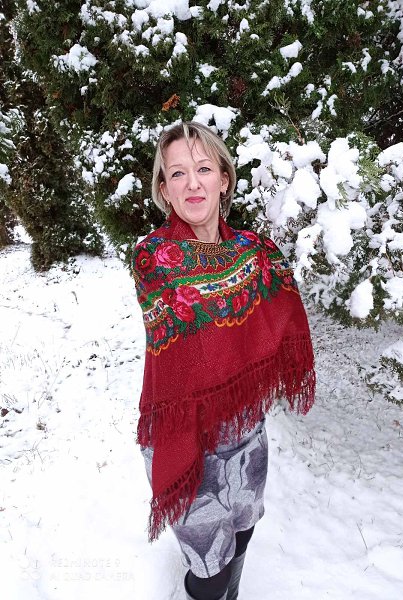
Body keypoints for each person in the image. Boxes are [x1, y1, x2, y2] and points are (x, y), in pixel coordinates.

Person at [132, 121, 315, 600]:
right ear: (164, 190)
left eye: (204, 169)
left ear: (224, 179)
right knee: (209, 572)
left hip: (245, 431)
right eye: (177, 173)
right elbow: (204, 336)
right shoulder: (155, 257)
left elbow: (280, 317)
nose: (192, 183)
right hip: (186, 436)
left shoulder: (254, 251)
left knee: (243, 535)